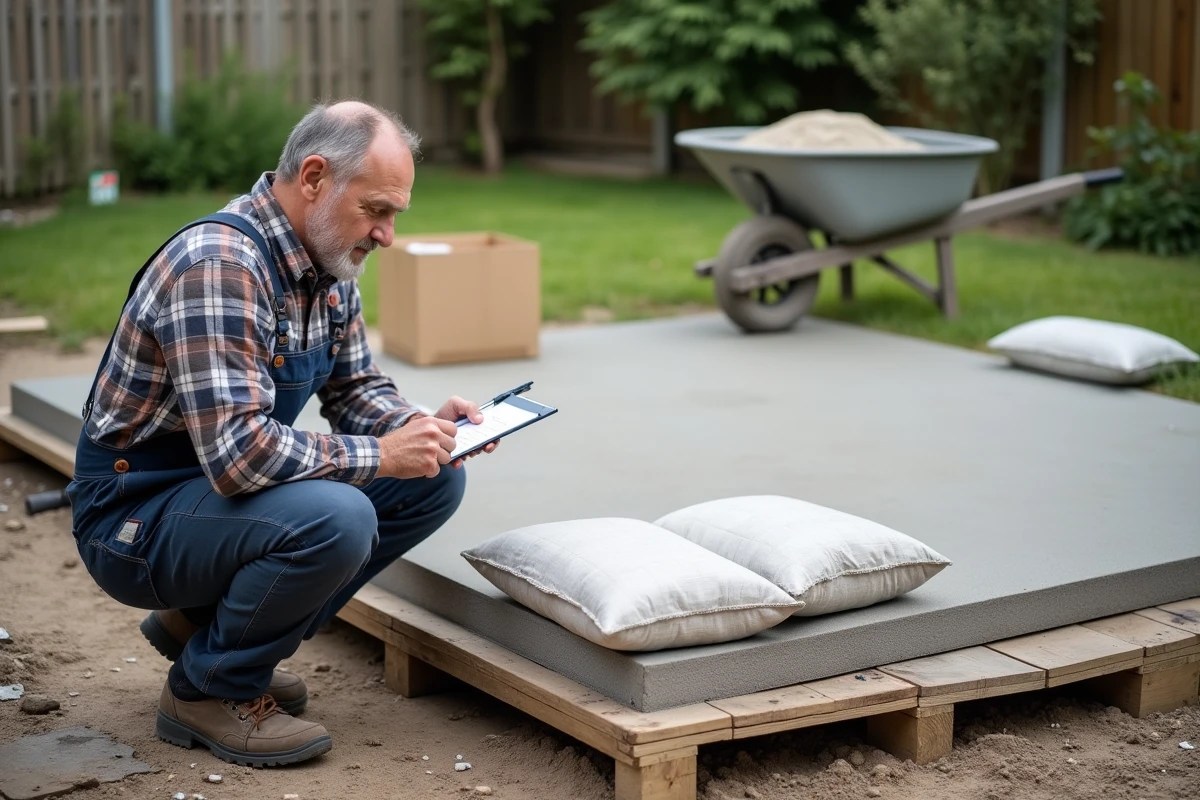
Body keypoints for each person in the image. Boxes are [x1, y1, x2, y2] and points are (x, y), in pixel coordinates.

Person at [67, 100, 496, 767]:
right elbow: (241, 458)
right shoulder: (221, 265)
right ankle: (207, 690)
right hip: (134, 520)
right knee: (338, 517)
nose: (385, 235)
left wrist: (421, 429)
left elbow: (355, 390)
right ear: (316, 177)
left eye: (394, 215)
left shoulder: (326, 264)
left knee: (435, 480)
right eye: (376, 210)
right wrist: (381, 455)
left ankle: (205, 630)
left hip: (210, 501)